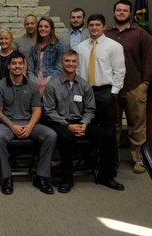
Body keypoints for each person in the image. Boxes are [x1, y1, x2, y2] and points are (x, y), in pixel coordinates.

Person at [43, 50, 124, 193]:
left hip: (80, 122)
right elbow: (49, 111)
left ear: (78, 63)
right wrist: (68, 125)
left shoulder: (84, 85)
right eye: (67, 61)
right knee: (66, 138)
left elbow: (90, 109)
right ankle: (67, 179)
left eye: (73, 61)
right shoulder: (52, 84)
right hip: (60, 122)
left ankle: (105, 177)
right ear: (62, 63)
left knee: (108, 137)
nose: (70, 64)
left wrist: (84, 124)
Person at [0, 53, 56, 195]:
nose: (17, 66)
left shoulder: (33, 86)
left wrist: (30, 126)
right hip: (7, 125)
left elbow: (37, 109)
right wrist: (13, 126)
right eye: (14, 63)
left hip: (29, 123)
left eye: (20, 63)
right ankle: (6, 177)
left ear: (24, 66)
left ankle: (41, 177)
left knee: (50, 135)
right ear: (9, 66)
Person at [106, 0, 152, 174]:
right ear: (114, 12)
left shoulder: (140, 34)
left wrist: (145, 83)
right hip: (112, 88)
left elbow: (149, 59)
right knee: (113, 126)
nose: (121, 13)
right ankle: (112, 159)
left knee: (137, 126)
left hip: (134, 87)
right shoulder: (106, 33)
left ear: (130, 13)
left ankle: (139, 160)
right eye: (118, 10)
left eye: (125, 11)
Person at [77, 14, 125, 136]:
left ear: (104, 27)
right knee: (89, 127)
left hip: (105, 92)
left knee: (108, 129)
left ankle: (108, 156)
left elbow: (119, 71)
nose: (94, 28)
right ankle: (91, 155)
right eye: (91, 25)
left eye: (97, 25)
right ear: (87, 27)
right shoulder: (81, 47)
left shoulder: (114, 46)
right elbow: (77, 70)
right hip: (86, 92)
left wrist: (113, 92)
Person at [27, 16, 64, 95]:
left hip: (52, 82)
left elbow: (59, 67)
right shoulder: (34, 48)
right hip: (36, 83)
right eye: (40, 26)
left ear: (51, 29)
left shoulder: (58, 46)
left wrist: (49, 83)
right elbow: (30, 69)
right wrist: (34, 83)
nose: (43, 28)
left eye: (46, 26)